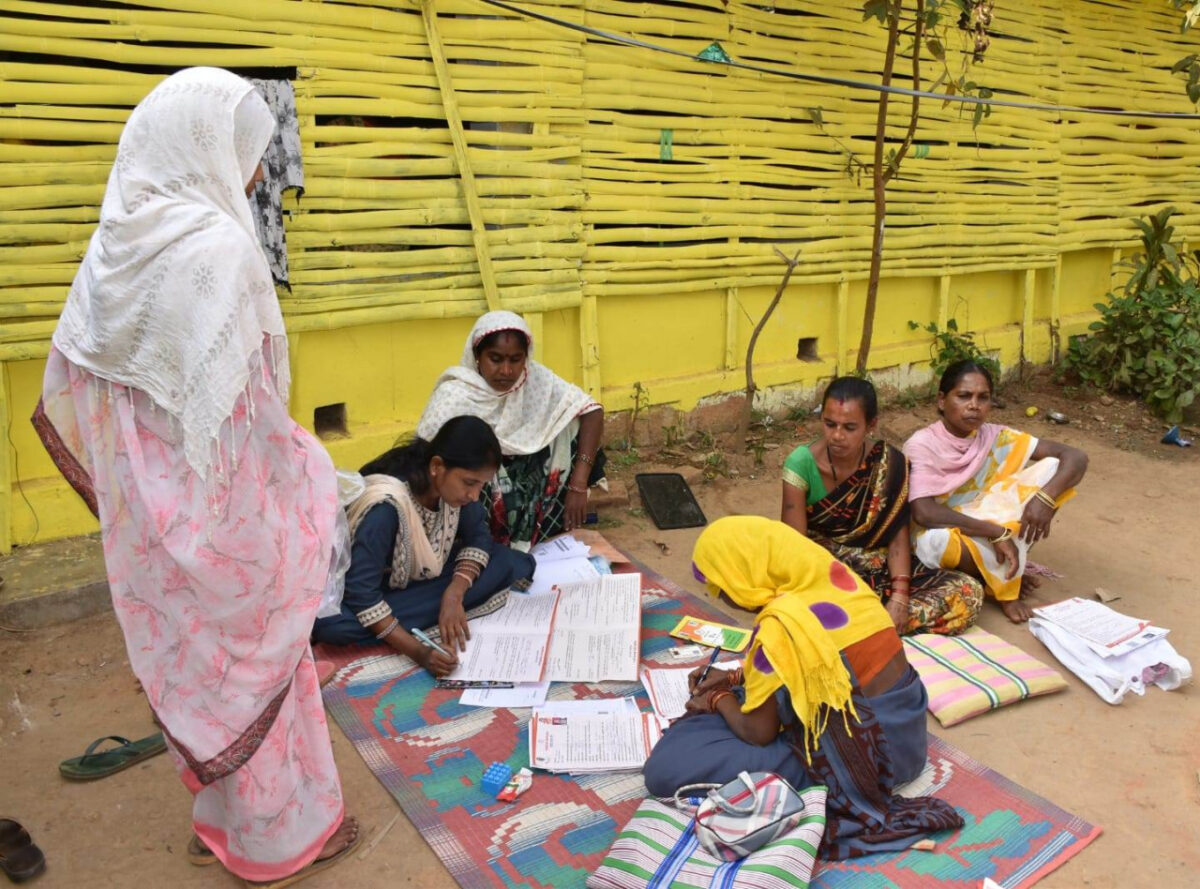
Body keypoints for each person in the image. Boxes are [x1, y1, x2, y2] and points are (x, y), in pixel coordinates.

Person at [32, 67, 359, 885]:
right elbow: (246, 416)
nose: (258, 172)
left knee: (204, 671)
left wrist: (150, 499)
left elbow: (81, 388)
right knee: (265, 662)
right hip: (231, 507)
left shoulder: (118, 248)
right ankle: (283, 840)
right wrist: (304, 478)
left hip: (155, 518)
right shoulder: (218, 250)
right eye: (251, 151)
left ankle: (217, 824)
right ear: (205, 146)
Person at [643, 517, 962, 859]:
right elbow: (825, 665)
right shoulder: (841, 583)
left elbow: (758, 733)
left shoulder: (782, 625)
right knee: (735, 702)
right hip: (907, 735)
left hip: (870, 761)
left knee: (669, 763)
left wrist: (717, 696)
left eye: (721, 587)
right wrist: (736, 679)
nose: (721, 597)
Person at [311, 415, 536, 675]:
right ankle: (419, 616)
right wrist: (420, 652)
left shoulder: (453, 493)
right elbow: (361, 593)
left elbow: (479, 538)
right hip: (369, 589)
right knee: (335, 626)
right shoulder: (386, 508)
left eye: (481, 485)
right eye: (469, 483)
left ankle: (430, 608)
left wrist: (455, 594)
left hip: (421, 581)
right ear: (437, 466)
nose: (475, 495)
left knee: (508, 560)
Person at [781, 377, 983, 635]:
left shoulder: (890, 464)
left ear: (871, 425)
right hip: (824, 570)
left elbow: (897, 540)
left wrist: (899, 599)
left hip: (880, 568)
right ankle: (867, 624)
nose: (837, 436)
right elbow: (796, 549)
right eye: (830, 424)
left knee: (968, 594)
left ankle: (858, 625)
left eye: (850, 427)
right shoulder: (800, 464)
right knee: (801, 605)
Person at [904, 360, 1089, 623]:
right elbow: (924, 513)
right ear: (942, 400)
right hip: (944, 530)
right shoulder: (922, 443)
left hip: (986, 521)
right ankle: (998, 578)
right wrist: (995, 532)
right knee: (938, 543)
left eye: (983, 398)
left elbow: (1076, 457)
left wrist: (1044, 500)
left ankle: (997, 569)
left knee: (1054, 469)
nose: (974, 405)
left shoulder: (995, 436)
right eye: (964, 396)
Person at [417, 311, 605, 548]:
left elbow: (592, 411)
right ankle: (481, 545)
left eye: (515, 360)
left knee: (573, 425)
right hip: (483, 490)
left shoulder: (534, 379)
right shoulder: (455, 395)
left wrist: (578, 484)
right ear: (477, 355)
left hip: (531, 482)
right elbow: (426, 457)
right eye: (495, 359)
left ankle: (545, 533)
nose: (506, 371)